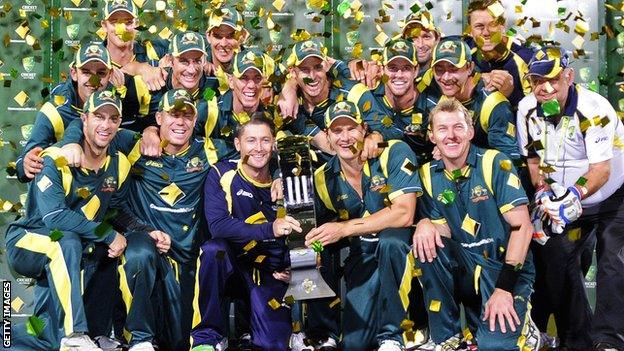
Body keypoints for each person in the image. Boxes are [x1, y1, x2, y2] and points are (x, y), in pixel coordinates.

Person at [517, 46, 624, 351]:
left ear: (568, 76)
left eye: (552, 79)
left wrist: (574, 194)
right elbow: (533, 159)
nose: (545, 87)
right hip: (560, 198)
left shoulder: (595, 109)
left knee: (613, 262)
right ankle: (575, 340)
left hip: (611, 195)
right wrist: (541, 194)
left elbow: (600, 169)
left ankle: (609, 341)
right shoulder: (526, 109)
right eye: (537, 80)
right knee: (556, 259)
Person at [5, 90, 130, 351]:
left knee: (47, 334)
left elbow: (114, 213)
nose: (105, 125)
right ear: (84, 119)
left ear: (119, 124)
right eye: (98, 116)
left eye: (113, 118)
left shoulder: (118, 164)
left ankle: (94, 334)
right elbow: (55, 218)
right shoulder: (54, 158)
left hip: (70, 248)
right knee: (67, 241)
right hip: (28, 239)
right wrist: (107, 234)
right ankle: (75, 335)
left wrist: (140, 232)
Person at [412, 97, 540, 351]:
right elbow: (444, 233)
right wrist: (424, 223)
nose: (451, 136)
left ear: (470, 131)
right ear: (432, 136)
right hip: (467, 268)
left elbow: (522, 227)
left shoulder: (495, 162)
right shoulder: (426, 174)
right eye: (442, 129)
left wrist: (504, 288)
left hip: (503, 269)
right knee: (425, 244)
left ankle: (527, 330)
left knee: (494, 347)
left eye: (458, 127)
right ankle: (446, 337)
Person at [305, 100, 420, 351]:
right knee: (355, 346)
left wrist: (345, 228)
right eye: (337, 131)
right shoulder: (322, 177)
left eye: (351, 129)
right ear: (327, 136)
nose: (345, 138)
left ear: (364, 129)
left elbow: (404, 213)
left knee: (392, 240)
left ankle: (395, 335)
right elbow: (316, 228)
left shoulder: (394, 152)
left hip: (406, 253)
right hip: (364, 257)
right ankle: (320, 334)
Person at [191, 116, 299, 351]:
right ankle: (208, 337)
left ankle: (254, 330)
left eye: (265, 140)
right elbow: (218, 226)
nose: (258, 148)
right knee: (213, 251)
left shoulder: (290, 179)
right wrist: (269, 228)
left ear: (274, 145)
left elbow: (306, 228)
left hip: (268, 268)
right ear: (238, 145)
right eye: (251, 141)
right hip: (231, 266)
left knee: (274, 345)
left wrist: (299, 267)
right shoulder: (222, 173)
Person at [16, 42, 120, 182]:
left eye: (101, 73)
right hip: (63, 190)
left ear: (110, 75)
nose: (94, 80)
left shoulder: (117, 101)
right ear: (74, 73)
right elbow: (23, 165)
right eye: (86, 72)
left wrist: (150, 130)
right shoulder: (54, 110)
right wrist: (26, 165)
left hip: (103, 187)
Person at [282, 39, 390, 161]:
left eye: (318, 67)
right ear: (293, 72)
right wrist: (289, 87)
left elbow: (393, 131)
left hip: (355, 168)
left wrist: (377, 136)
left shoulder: (353, 92)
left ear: (327, 66)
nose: (312, 76)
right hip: (314, 173)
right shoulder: (287, 101)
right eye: (304, 70)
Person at [430, 36, 519, 163]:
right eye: (439, 70)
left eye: (453, 69)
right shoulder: (442, 99)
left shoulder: (493, 103)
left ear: (470, 68)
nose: (446, 77)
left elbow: (509, 160)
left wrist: (459, 152)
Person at [372, 38, 439, 165]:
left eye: (406, 68)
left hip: (421, 173)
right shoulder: (371, 97)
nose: (399, 74)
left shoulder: (432, 106)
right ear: (381, 70)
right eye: (392, 68)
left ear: (416, 70)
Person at [465, 0, 534, 107]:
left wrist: (510, 93)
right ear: (470, 30)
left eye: (493, 24)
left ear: (503, 26)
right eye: (479, 26)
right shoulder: (464, 51)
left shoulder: (526, 58)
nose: (486, 32)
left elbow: (536, 110)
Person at [99, 0, 168, 88]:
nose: (122, 29)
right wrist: (138, 68)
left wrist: (167, 69)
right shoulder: (92, 60)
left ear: (137, 24)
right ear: (104, 26)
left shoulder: (155, 50)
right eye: (114, 22)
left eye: (128, 22)